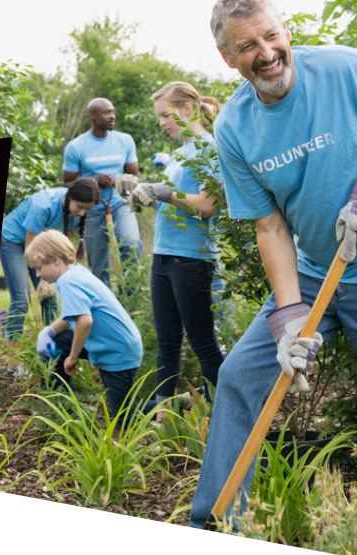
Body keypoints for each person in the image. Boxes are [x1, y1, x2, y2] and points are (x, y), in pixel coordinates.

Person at [184, 1, 357, 553]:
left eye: (270, 36)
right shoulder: (235, 126)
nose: (266, 54)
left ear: (285, 31)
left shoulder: (346, 71)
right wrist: (289, 321)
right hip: (312, 272)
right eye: (247, 46)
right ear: (226, 57)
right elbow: (269, 227)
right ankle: (214, 529)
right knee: (241, 376)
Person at [127, 82, 227, 410]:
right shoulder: (180, 154)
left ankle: (226, 416)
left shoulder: (209, 148)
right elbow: (171, 204)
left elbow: (208, 206)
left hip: (193, 259)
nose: (161, 122)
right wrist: (139, 192)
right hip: (164, 257)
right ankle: (162, 422)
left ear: (188, 109)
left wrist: (162, 192)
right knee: (167, 345)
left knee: (203, 345)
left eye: (165, 115)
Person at [27, 229, 148, 433]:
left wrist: (73, 357)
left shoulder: (68, 281)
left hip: (117, 350)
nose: (38, 274)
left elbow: (84, 321)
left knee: (125, 416)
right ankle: (71, 410)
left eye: (39, 268)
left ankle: (177, 404)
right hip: (111, 343)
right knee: (53, 345)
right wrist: (47, 331)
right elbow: (71, 315)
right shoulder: (76, 272)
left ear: (56, 260)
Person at [0, 180, 98, 345]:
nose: (82, 213)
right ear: (69, 198)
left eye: (87, 209)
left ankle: (50, 351)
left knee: (50, 298)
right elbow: (31, 249)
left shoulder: (74, 214)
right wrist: (44, 278)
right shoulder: (43, 205)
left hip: (39, 246)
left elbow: (63, 246)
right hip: (13, 241)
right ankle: (13, 361)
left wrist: (54, 280)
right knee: (22, 299)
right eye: (80, 207)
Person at [60, 98, 143, 289]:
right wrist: (92, 182)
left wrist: (115, 181)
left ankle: (129, 299)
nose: (112, 116)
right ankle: (107, 308)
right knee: (98, 268)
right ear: (93, 115)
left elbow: (134, 175)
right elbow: (67, 183)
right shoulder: (76, 146)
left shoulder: (125, 140)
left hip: (120, 202)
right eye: (107, 112)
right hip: (91, 209)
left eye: (113, 112)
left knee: (131, 243)